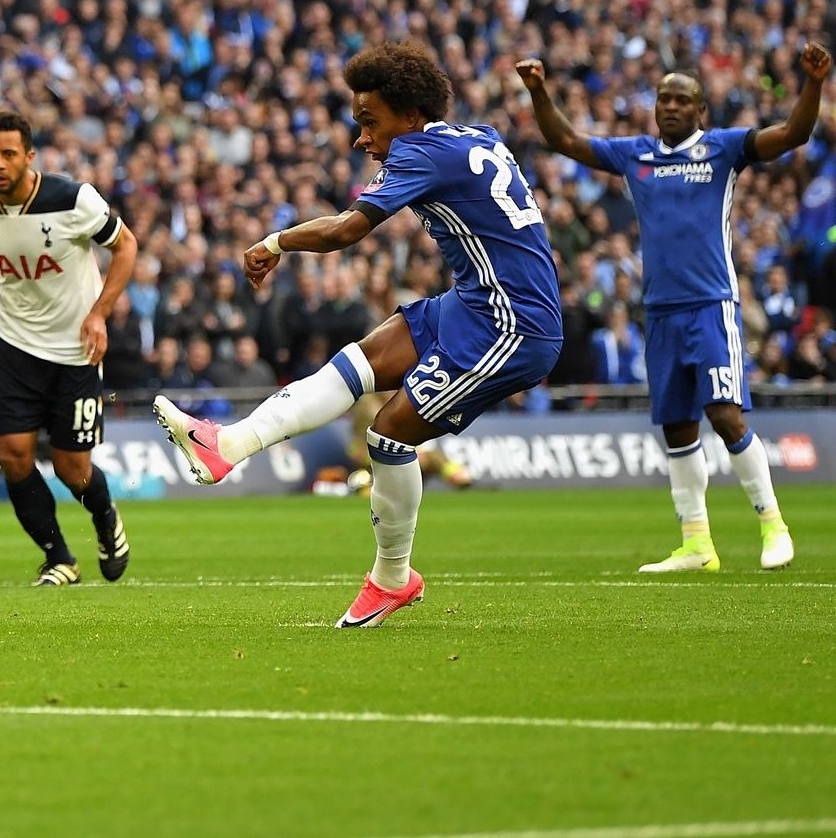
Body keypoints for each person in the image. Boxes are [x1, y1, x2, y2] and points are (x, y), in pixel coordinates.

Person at [153, 43, 563, 627]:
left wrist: (275, 242)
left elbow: (347, 230)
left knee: (389, 433)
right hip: (475, 303)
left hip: (513, 324)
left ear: (410, 116)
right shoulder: (478, 136)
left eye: (369, 121)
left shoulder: (422, 152)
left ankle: (393, 579)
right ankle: (227, 446)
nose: (359, 138)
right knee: (359, 361)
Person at [520, 43, 831, 573]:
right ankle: (696, 544)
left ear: (700, 111)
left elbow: (792, 135)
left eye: (681, 100)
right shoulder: (636, 154)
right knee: (678, 429)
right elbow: (566, 140)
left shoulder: (724, 149)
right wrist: (539, 92)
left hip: (710, 305)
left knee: (726, 415)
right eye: (663, 99)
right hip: (659, 311)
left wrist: (814, 84)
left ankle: (773, 525)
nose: (669, 107)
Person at [0, 110, 138, 586]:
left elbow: (127, 245)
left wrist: (99, 312)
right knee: (13, 455)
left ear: (29, 157)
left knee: (73, 469)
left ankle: (105, 517)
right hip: (15, 347)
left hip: (76, 350)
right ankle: (59, 558)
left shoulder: (72, 199)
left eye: (8, 153)